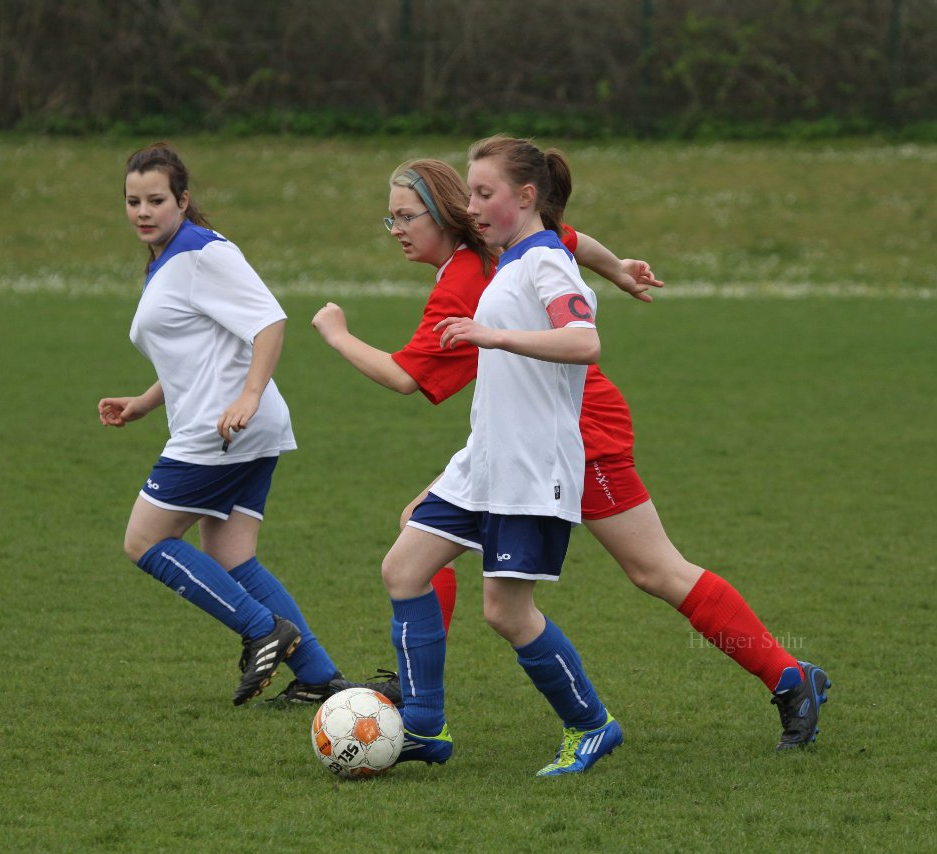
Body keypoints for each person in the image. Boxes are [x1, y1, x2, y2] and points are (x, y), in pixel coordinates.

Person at [313, 151, 831, 751]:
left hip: (579, 429)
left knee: (655, 570)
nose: (395, 230)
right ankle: (421, 699)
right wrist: (618, 269)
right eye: (392, 218)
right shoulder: (502, 239)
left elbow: (408, 377)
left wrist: (337, 335)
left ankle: (787, 677)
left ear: (441, 214)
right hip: (510, 431)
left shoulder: (468, 273)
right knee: (417, 534)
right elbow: (571, 239)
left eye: (405, 217)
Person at [358, 136, 626, 777]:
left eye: (484, 193)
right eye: (470, 192)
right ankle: (425, 727)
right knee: (404, 569)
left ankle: (592, 725)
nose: (471, 205)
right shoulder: (509, 260)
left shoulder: (545, 262)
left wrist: (493, 335)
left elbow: (584, 342)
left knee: (506, 612)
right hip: (484, 462)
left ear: (525, 196)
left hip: (532, 468)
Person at [99, 142, 344, 706]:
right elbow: (199, 350)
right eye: (133, 201)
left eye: (156, 200)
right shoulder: (169, 258)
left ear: (182, 200)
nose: (143, 211)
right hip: (238, 427)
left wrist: (249, 396)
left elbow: (268, 322)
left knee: (145, 540)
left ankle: (263, 630)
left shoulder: (202, 252)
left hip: (224, 429)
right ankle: (317, 677)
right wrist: (145, 402)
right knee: (231, 555)